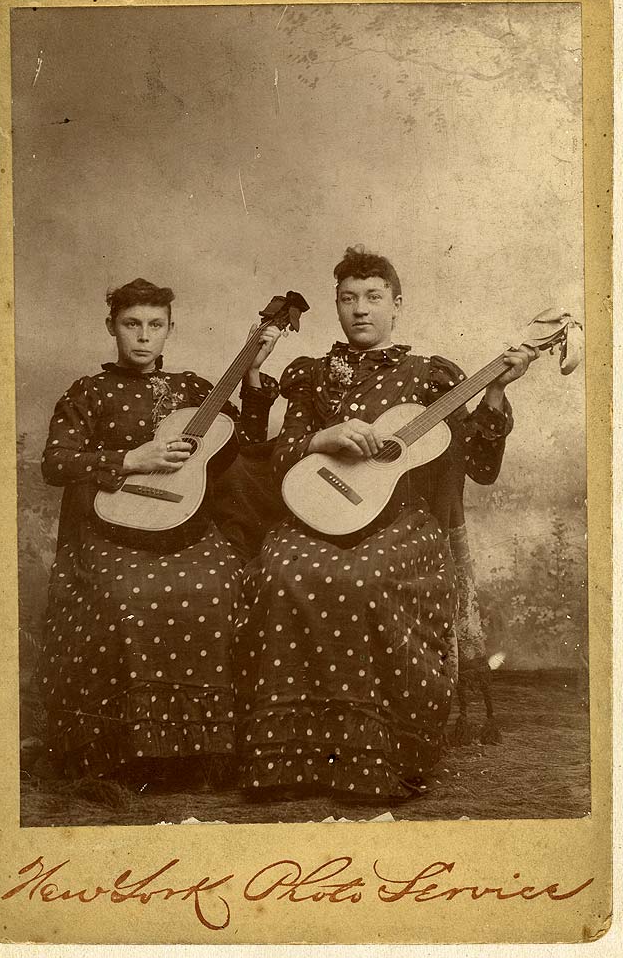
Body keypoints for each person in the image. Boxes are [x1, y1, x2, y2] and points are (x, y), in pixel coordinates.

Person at [233, 246, 537, 804]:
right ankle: (290, 757)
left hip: (401, 525)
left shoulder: (432, 377)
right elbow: (275, 461)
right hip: (318, 518)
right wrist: (319, 440)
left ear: (396, 305)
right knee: (280, 570)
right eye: (348, 299)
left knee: (366, 580)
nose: (360, 310)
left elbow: (482, 468)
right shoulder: (312, 376)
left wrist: (496, 389)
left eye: (373, 298)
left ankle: (384, 754)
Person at [38, 277, 281, 788]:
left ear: (171, 329)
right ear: (112, 327)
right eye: (132, 325)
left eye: (155, 325)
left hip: (185, 527)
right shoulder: (88, 391)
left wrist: (253, 371)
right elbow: (55, 463)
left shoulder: (195, 390)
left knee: (221, 583)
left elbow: (249, 442)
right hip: (109, 529)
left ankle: (206, 752)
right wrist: (130, 459)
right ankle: (129, 750)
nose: (143, 337)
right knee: (125, 594)